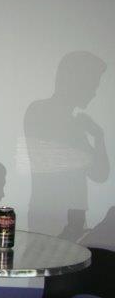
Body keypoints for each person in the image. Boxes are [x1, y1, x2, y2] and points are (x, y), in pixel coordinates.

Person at [24, 51, 108, 237]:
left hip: (69, 219)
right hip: (53, 218)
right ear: (76, 81)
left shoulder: (71, 123)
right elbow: (98, 172)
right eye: (92, 85)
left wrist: (99, 137)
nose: (94, 93)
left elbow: (100, 174)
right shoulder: (41, 112)